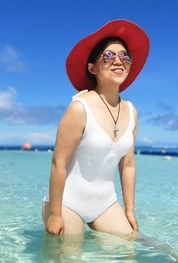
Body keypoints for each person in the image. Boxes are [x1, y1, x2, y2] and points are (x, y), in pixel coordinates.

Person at [43, 19, 150, 237]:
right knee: (72, 256)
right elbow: (59, 162)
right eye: (109, 56)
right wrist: (55, 213)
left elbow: (127, 164)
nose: (118, 60)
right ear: (92, 68)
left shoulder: (132, 111)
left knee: (130, 249)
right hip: (66, 202)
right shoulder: (80, 108)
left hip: (105, 204)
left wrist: (129, 210)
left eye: (124, 56)